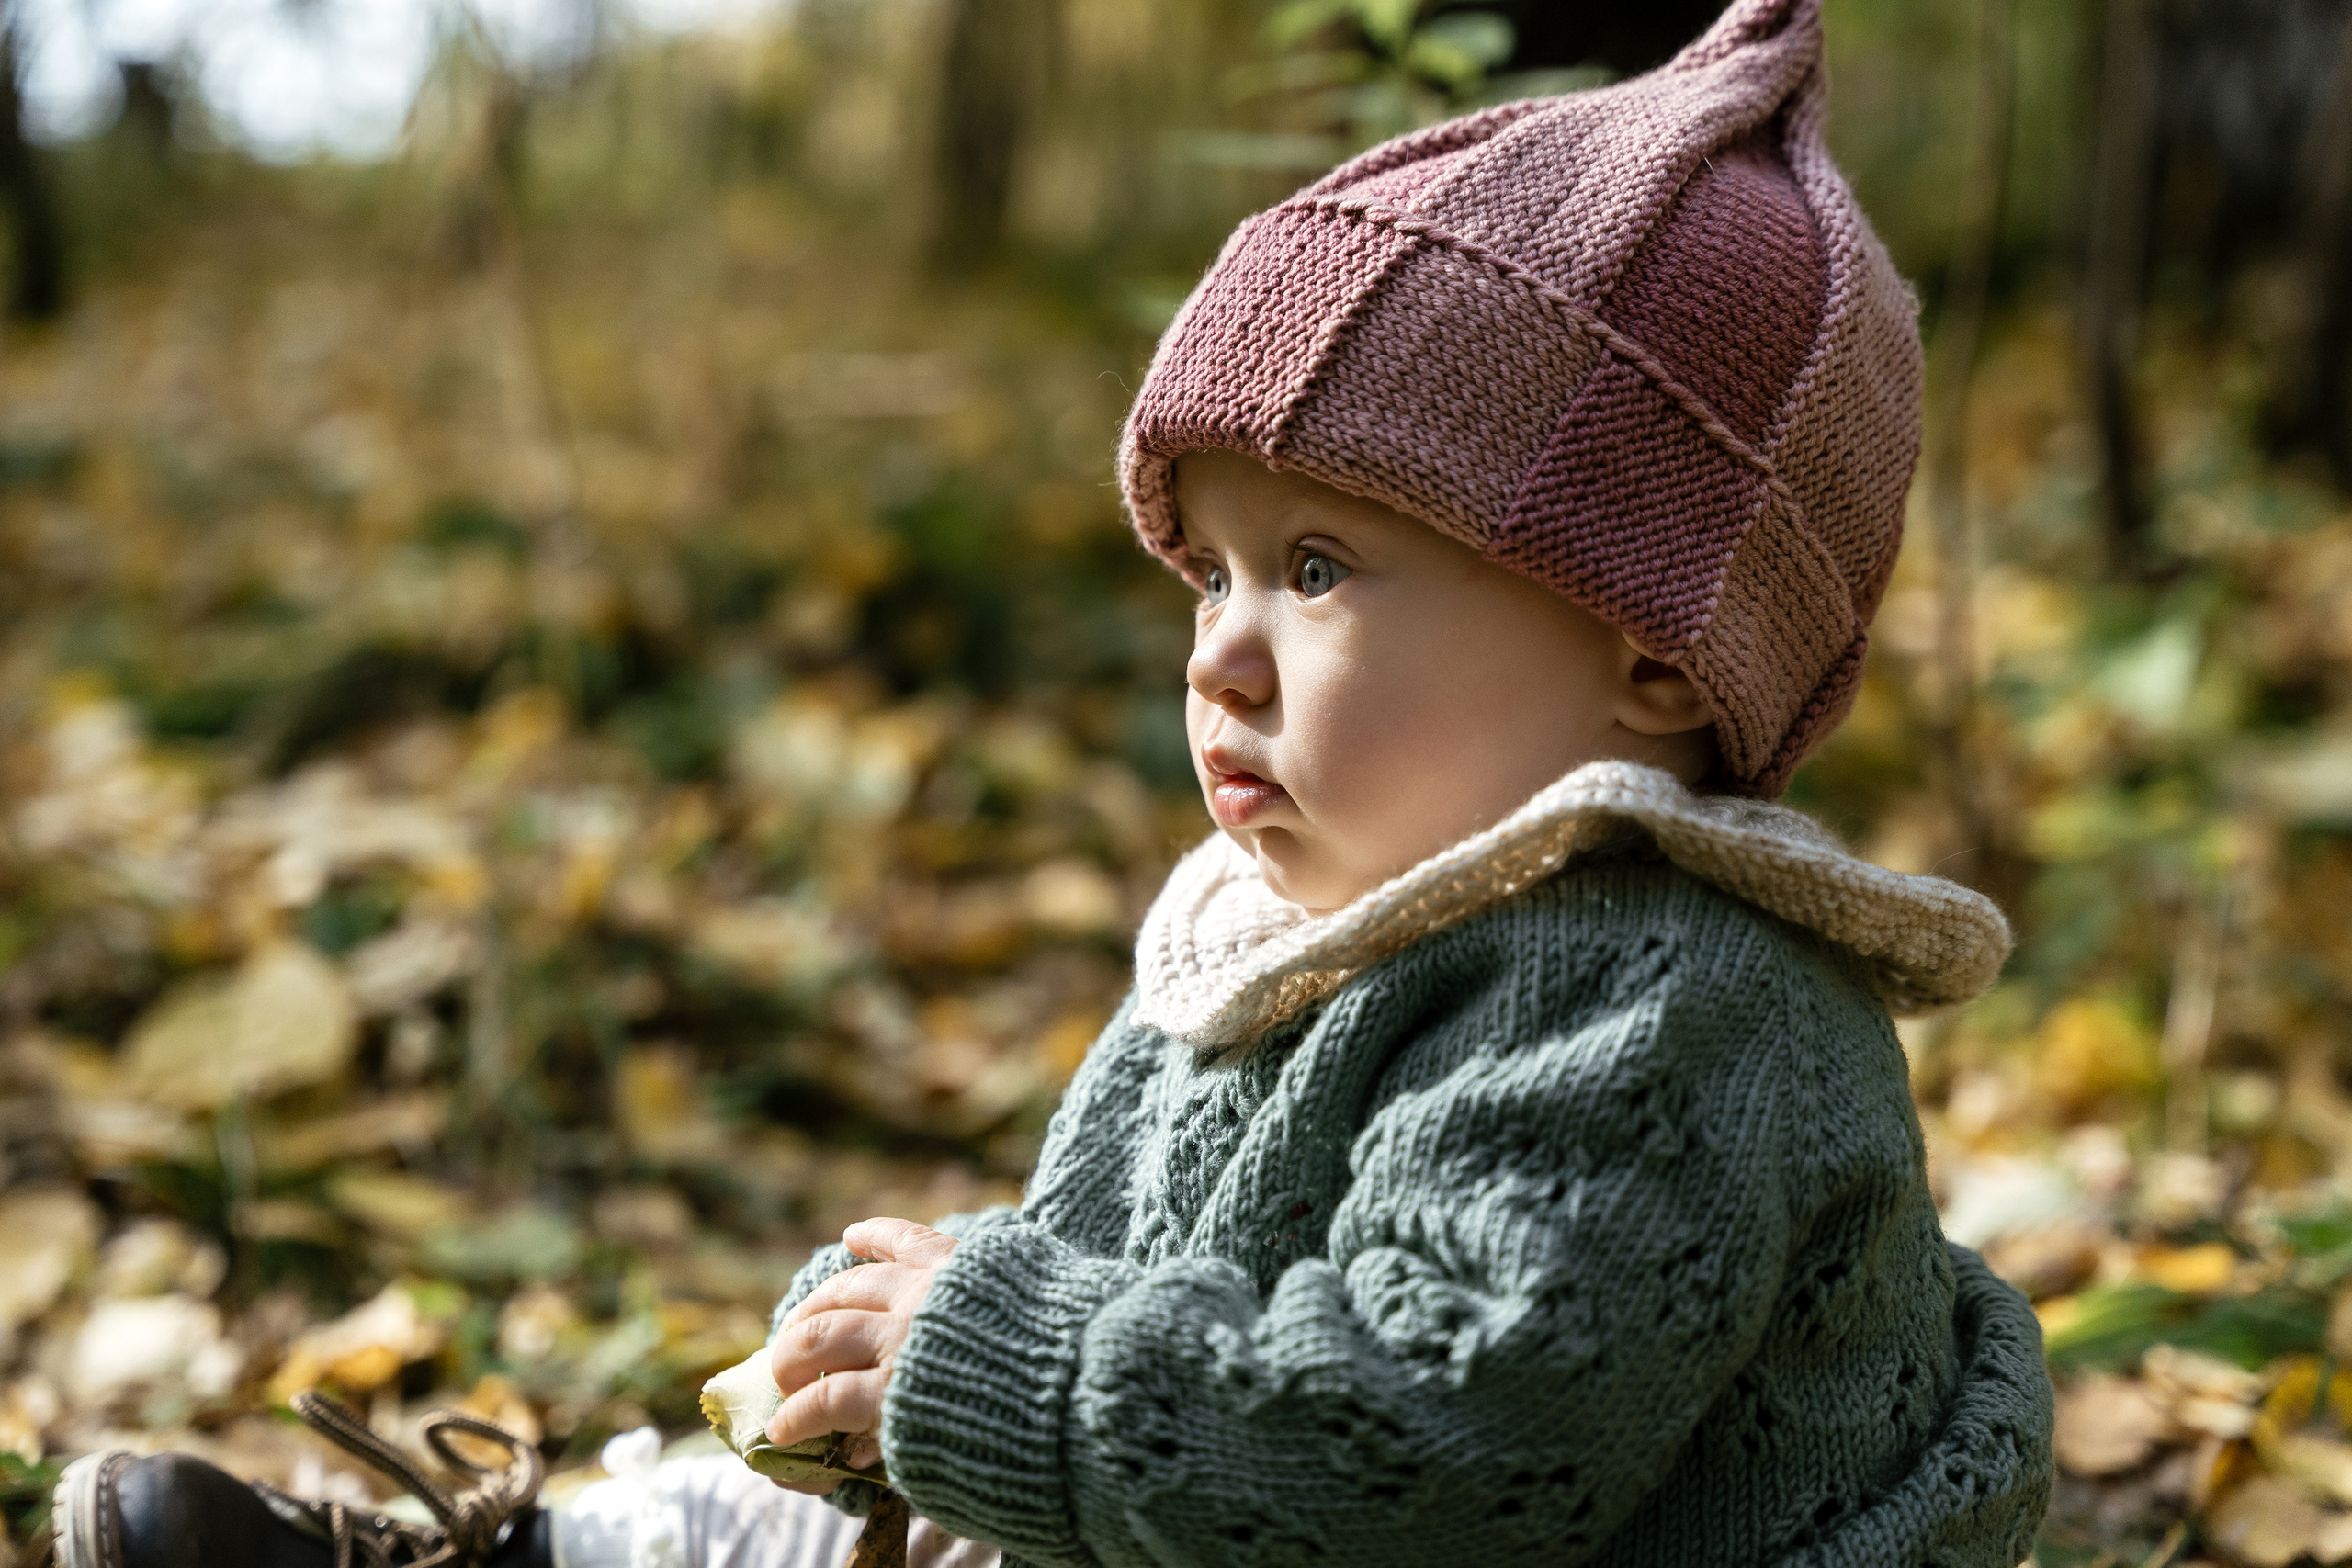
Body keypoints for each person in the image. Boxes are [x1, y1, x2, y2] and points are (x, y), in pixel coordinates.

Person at [52, 1, 2056, 1563]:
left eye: (1321, 568)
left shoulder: (1665, 1011)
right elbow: (1139, 1301)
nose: (1220, 644)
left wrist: (1005, 1352)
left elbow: (1432, 1456)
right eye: (1210, 566)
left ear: (1648, 643)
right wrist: (909, 1353)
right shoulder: (1313, 918)